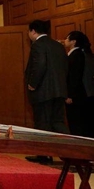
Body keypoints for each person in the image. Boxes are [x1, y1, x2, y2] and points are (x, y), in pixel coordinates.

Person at [25, 20, 69, 164]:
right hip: (59, 91)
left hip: (43, 92)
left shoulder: (38, 45)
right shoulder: (58, 45)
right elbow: (65, 67)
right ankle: (72, 153)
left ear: (33, 31)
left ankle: (44, 155)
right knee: (58, 122)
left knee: (42, 124)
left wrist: (33, 84)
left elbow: (40, 65)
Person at [63, 31, 94, 138]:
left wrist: (70, 95)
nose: (65, 41)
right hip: (83, 94)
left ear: (73, 41)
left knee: (76, 123)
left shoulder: (76, 55)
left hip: (76, 95)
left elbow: (75, 77)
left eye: (67, 38)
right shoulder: (82, 53)